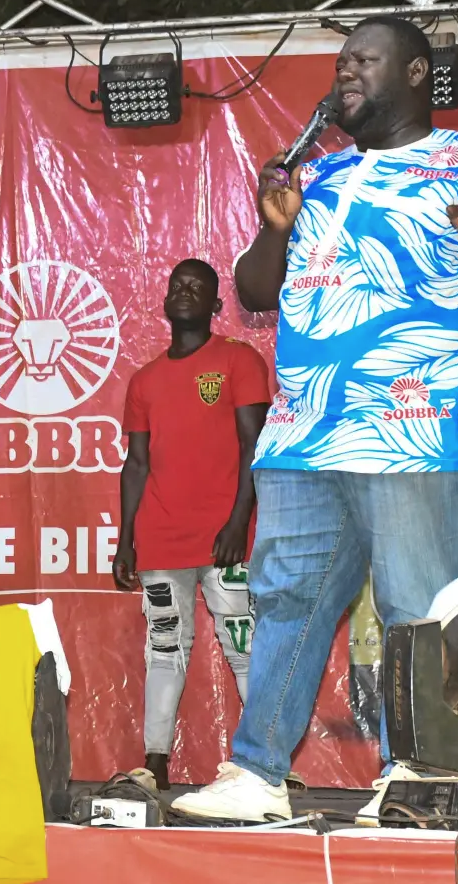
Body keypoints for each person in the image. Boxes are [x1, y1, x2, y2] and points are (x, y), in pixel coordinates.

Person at [172, 16, 458, 822]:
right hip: (305, 434)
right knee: (288, 600)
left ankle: (419, 774)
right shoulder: (317, 176)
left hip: (420, 429)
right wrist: (274, 228)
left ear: (415, 72)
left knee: (418, 608)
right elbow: (254, 292)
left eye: (363, 60)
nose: (344, 72)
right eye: (341, 62)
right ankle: (258, 775)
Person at [114, 259, 270, 791]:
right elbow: (136, 464)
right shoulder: (145, 380)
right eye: (177, 286)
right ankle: (155, 763)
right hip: (160, 540)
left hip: (226, 539)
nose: (184, 293)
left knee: (244, 647)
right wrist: (126, 540)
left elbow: (255, 447)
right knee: (164, 648)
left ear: (216, 305)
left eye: (197, 288)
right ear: (165, 300)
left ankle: (265, 766)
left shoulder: (238, 360)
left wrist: (238, 521)